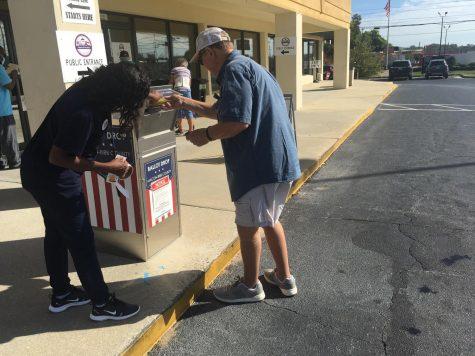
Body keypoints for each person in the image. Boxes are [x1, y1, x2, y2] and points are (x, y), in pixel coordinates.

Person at [162, 27, 301, 304]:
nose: (203, 67)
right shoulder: (250, 66)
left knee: (248, 227)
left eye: (202, 60)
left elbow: (238, 122)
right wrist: (185, 101)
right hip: (277, 162)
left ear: (211, 52)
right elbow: (220, 110)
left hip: (257, 166)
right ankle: (284, 278)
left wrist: (205, 135)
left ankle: (250, 287)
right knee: (270, 220)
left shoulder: (233, 71)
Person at [21, 62, 151, 321]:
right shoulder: (82, 112)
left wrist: (158, 97)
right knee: (81, 240)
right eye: (132, 99)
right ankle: (102, 304)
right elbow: (59, 157)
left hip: (38, 171)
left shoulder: (94, 89)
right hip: (52, 176)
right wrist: (109, 166)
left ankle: (62, 294)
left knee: (56, 233)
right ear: (120, 93)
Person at [0, 46, 21, 170]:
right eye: (3, 55)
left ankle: (2, 162)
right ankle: (15, 162)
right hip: (3, 111)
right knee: (9, 138)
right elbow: (9, 85)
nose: (4, 57)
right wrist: (14, 75)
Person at [170, 57, 194, 135]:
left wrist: (169, 90)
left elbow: (171, 81)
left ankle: (180, 130)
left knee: (178, 109)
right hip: (187, 90)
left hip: (178, 90)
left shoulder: (174, 70)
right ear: (185, 65)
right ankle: (191, 130)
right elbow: (190, 83)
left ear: (178, 64)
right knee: (189, 109)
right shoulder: (188, 71)